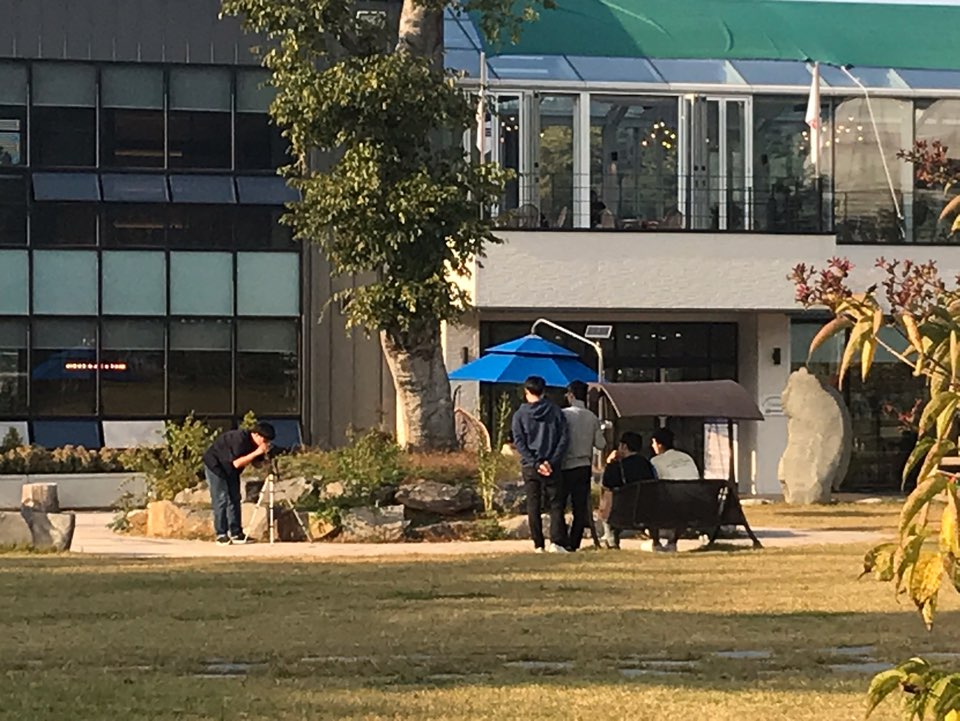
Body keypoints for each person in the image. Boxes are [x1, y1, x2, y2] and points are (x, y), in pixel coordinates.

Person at [511, 375, 570, 553]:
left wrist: (535, 463)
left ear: (526, 391)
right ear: (544, 391)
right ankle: (556, 542)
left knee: (533, 504)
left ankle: (538, 544)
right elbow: (564, 439)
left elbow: (519, 442)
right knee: (556, 504)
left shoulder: (520, 415)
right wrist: (551, 461)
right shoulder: (556, 412)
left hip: (530, 466)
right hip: (552, 464)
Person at [202, 422, 276, 545]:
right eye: (265, 440)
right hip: (216, 466)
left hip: (231, 470)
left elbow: (256, 464)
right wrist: (257, 452)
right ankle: (221, 533)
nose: (266, 443)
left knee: (235, 498)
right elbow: (236, 463)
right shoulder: (239, 439)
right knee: (221, 498)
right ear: (256, 435)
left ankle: (236, 532)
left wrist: (266, 458)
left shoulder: (256, 445)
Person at [560, 380, 606, 551]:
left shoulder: (563, 415)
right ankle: (574, 542)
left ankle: (561, 539)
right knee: (579, 507)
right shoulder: (592, 417)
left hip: (565, 465)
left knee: (559, 504)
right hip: (583, 466)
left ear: (571, 395)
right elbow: (601, 444)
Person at [599, 432, 656, 549]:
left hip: (622, 512)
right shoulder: (647, 464)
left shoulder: (615, 466)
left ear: (624, 446)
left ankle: (611, 540)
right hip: (645, 510)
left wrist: (609, 462)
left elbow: (606, 488)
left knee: (608, 502)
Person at [649, 427, 700, 552]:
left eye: (653, 443)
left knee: (649, 500)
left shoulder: (655, 461)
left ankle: (656, 543)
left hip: (669, 505)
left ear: (659, 444)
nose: (652, 446)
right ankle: (672, 542)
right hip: (693, 502)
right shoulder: (687, 457)